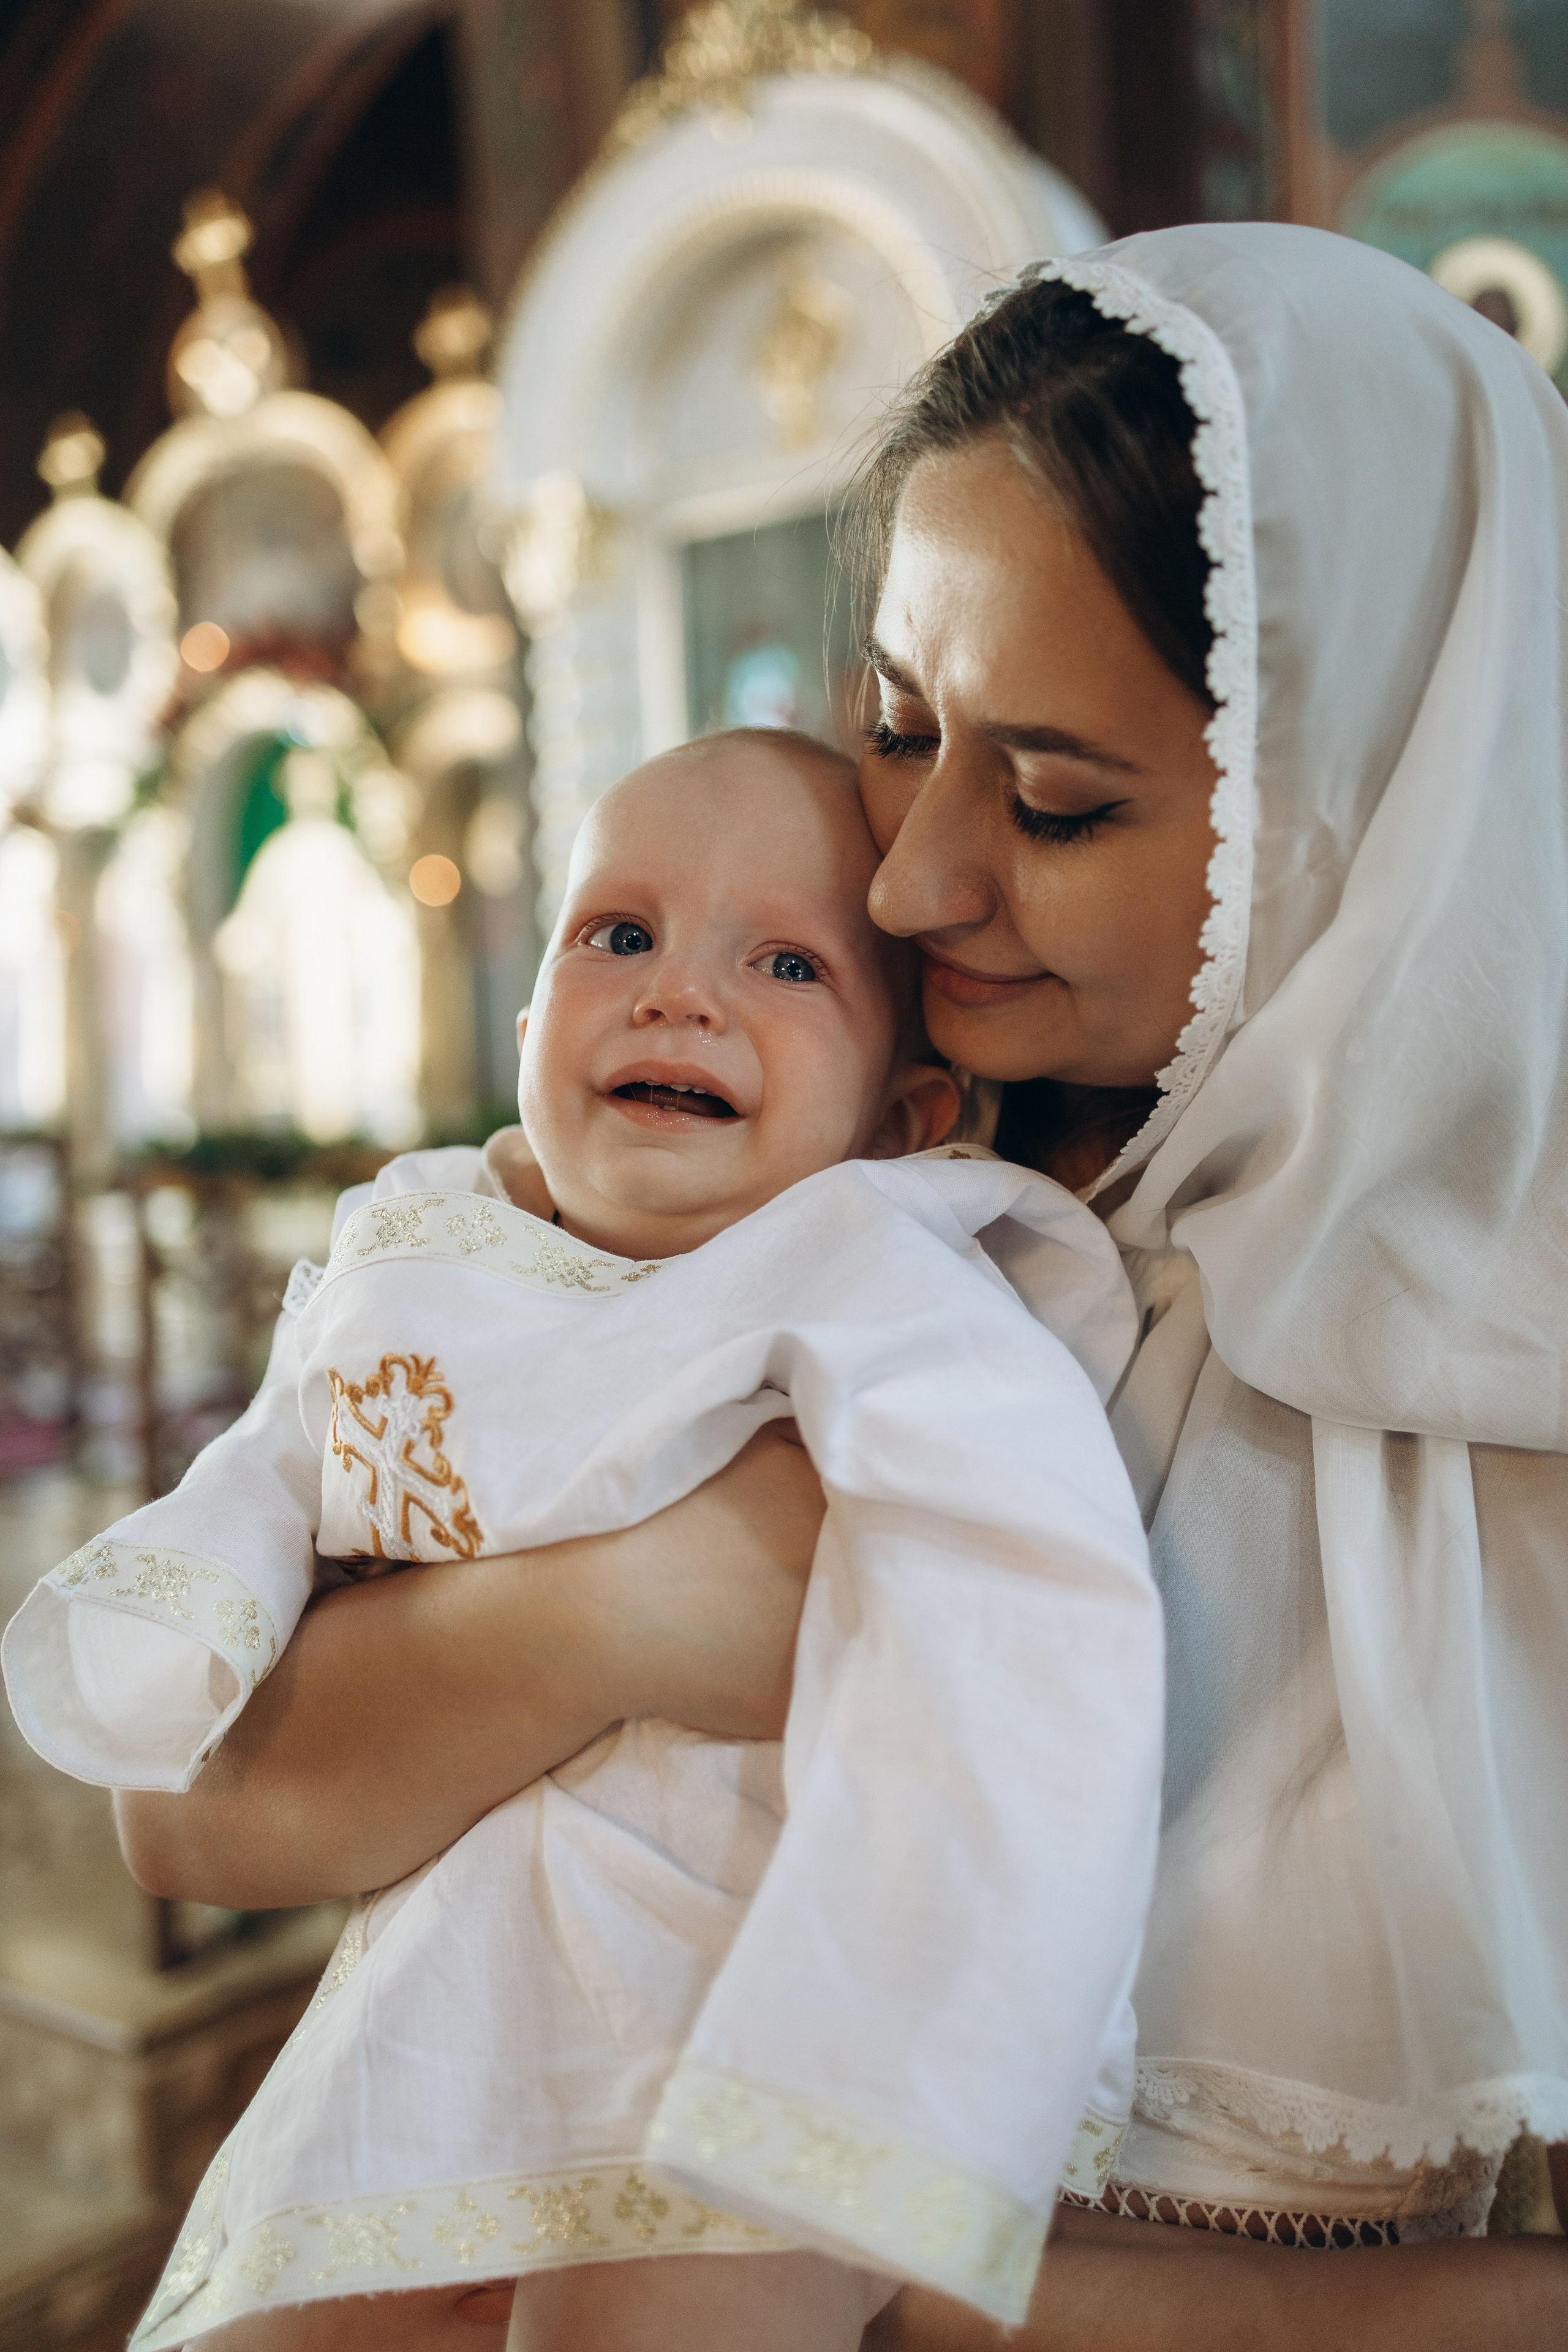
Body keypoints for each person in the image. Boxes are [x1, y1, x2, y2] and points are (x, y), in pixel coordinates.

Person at [108, 222, 1568, 2349]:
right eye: (899, 723)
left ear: (1360, 806)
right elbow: (195, 1799)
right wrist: (633, 1604)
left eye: (1055, 801)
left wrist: (868, 2259)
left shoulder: (1513, 1407)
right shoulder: (827, 1179)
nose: (906, 877)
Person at [6, 730, 1164, 2350]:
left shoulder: (872, 1264)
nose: (678, 994)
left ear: (903, 1120)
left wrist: (944, 2016)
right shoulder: (422, 1247)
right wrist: (192, 1609)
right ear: (532, 1015)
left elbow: (1027, 1572)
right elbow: (284, 1460)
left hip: (745, 2000)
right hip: (443, 2001)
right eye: (618, 934)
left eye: (783, 962)